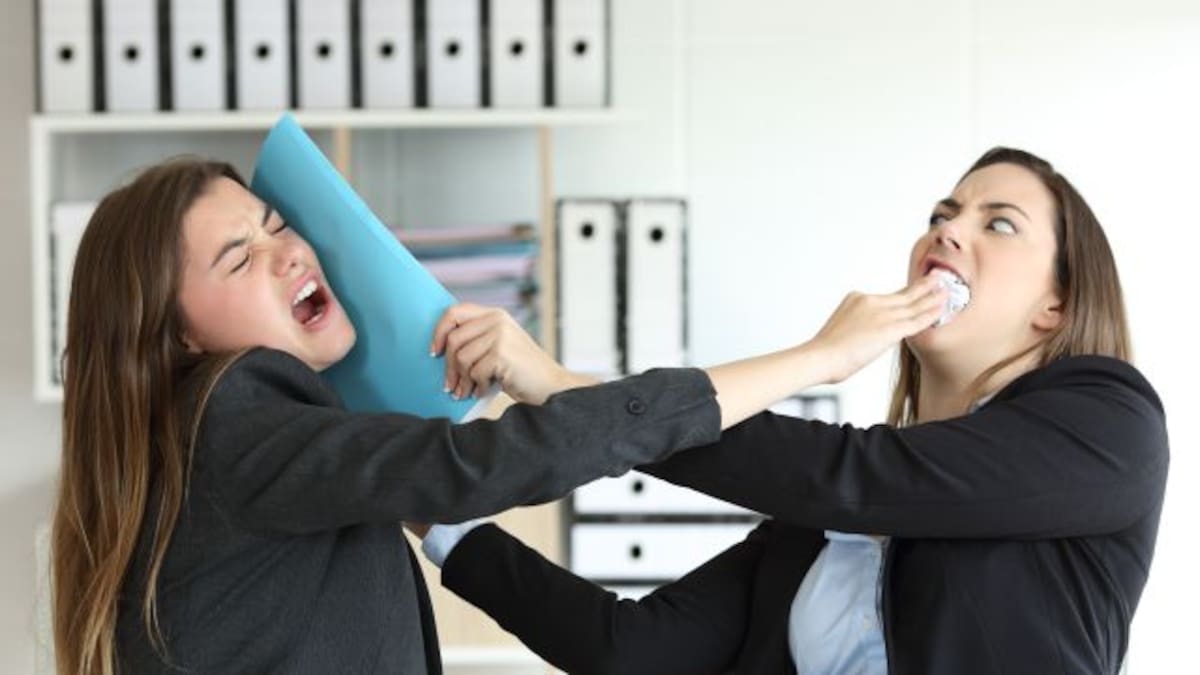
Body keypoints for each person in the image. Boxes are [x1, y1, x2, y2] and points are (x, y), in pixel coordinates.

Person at [52, 159, 950, 675]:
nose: (287, 251)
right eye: (239, 256)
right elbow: (495, 462)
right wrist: (815, 359)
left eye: (276, 223)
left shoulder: (225, 443)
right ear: (174, 333)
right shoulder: (229, 412)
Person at [413, 147, 1169, 674]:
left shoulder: (1110, 423)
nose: (947, 230)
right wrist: (433, 506)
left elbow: (859, 475)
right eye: (944, 213)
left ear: (1056, 304)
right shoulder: (824, 528)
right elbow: (630, 650)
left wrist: (564, 389)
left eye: (998, 223)